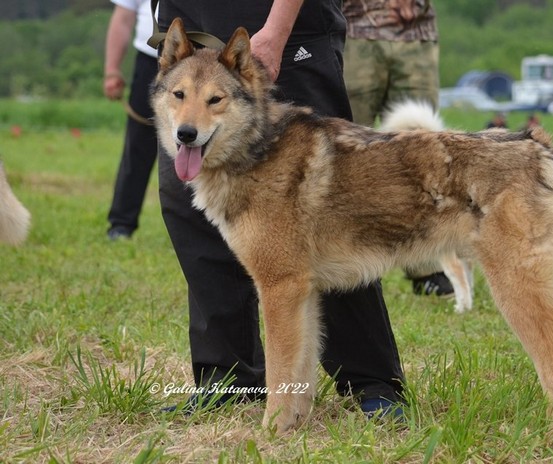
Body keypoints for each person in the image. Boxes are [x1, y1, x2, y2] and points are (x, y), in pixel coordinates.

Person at [153, 0, 405, 417]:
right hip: (188, 19)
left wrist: (277, 28)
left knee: (336, 205)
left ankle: (371, 381)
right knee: (188, 208)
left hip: (281, 26)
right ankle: (228, 379)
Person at [342, 0, 452, 297]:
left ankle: (427, 266)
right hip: (354, 30)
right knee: (349, 149)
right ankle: (349, 257)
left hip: (416, 31)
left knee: (424, 150)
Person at [103, 0, 159, 240]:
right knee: (137, 146)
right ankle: (121, 224)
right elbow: (123, 18)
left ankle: (203, 230)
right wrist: (112, 71)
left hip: (200, 57)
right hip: (151, 60)